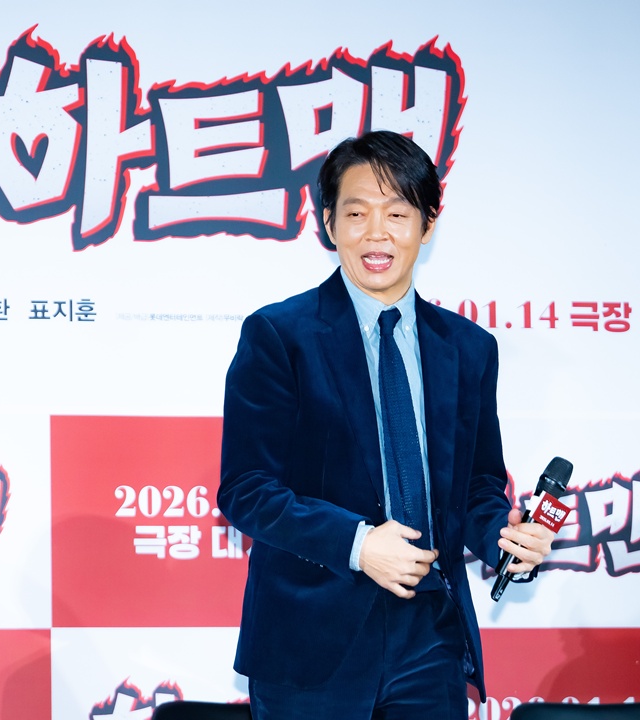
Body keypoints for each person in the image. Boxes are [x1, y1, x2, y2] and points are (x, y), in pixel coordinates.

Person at [216, 130, 555, 719]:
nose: (377, 233)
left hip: (430, 636)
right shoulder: (279, 336)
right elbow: (246, 489)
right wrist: (358, 544)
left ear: (427, 225)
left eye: (397, 214)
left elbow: (478, 485)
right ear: (329, 223)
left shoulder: (468, 348)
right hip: (310, 639)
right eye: (356, 213)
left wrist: (506, 538)